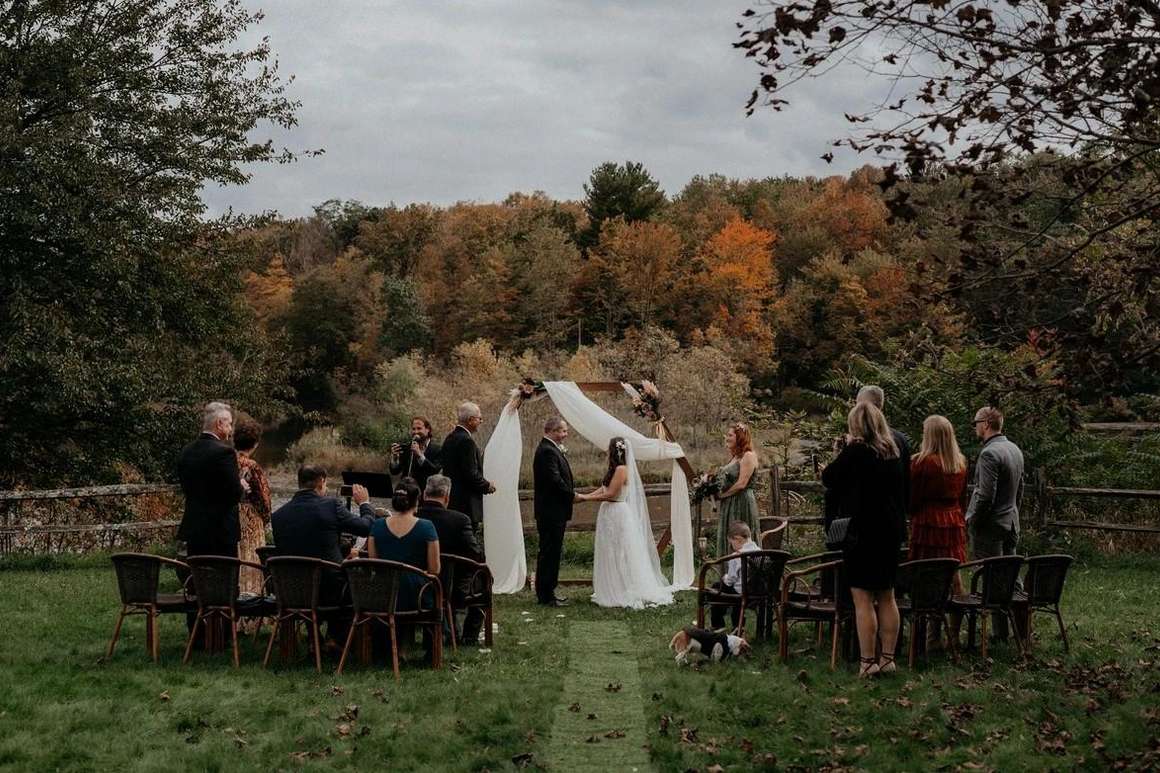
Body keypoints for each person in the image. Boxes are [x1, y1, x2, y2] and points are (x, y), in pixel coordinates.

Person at [822, 402, 907, 677]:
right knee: (887, 595)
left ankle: (867, 660)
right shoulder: (891, 452)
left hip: (863, 532)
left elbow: (829, 477)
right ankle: (888, 658)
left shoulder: (856, 451)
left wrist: (846, 447)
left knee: (862, 598)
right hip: (890, 531)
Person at [271, 465, 375, 646]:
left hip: (291, 590)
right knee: (356, 585)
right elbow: (366, 527)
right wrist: (365, 504)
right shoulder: (331, 505)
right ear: (321, 481)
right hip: (328, 589)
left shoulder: (278, 515)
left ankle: (317, 636)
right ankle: (336, 637)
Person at [580, 437, 673, 609]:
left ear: (614, 451)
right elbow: (604, 489)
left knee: (620, 551)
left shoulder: (622, 469)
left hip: (617, 513)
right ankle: (611, 586)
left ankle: (623, 588)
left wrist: (585, 498)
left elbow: (611, 494)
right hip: (608, 512)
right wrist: (584, 497)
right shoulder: (615, 469)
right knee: (609, 550)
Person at [965, 406, 1025, 643]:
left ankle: (999, 633)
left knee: (990, 576)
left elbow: (985, 495)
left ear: (987, 424)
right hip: (1011, 521)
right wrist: (1013, 513)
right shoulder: (1014, 449)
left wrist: (972, 519)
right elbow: (1019, 490)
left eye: (976, 422)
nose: (975, 427)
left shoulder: (989, 454)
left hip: (991, 525)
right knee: (1012, 576)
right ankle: (1018, 629)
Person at [909, 415, 969, 649]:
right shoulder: (959, 462)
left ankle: (930, 637)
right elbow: (962, 496)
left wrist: (912, 512)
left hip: (928, 520)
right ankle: (952, 633)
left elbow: (913, 497)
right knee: (954, 577)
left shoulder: (923, 463)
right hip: (952, 519)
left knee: (925, 577)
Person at [369, 478, 441, 657]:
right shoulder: (426, 527)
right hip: (415, 595)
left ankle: (394, 648)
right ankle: (408, 649)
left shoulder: (377, 526)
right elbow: (434, 569)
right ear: (417, 501)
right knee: (418, 587)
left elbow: (373, 563)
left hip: (384, 594)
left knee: (399, 588)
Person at [417, 474, 485, 643]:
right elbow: (475, 553)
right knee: (484, 579)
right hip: (453, 584)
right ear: (447, 497)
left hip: (418, 581)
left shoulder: (414, 518)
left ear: (425, 494)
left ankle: (450, 628)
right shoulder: (460, 520)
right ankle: (470, 636)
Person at [177, 402, 246, 557]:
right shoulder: (225, 453)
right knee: (224, 578)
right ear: (219, 424)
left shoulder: (186, 451)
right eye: (229, 424)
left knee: (199, 577)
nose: (231, 430)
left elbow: (187, 487)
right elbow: (234, 494)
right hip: (220, 531)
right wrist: (241, 485)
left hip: (194, 527)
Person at [533, 417, 578, 608]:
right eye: (563, 431)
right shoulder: (546, 451)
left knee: (552, 552)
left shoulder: (550, 449)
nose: (565, 435)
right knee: (549, 552)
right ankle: (546, 594)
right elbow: (554, 480)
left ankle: (548, 591)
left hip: (554, 511)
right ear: (551, 430)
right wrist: (572, 495)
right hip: (551, 511)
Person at [856, 385, 912, 512]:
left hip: (869, 514)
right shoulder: (901, 438)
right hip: (895, 514)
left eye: (859, 405)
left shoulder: (862, 441)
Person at [441, 402, 495, 533]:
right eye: (479, 418)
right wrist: (487, 485)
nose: (481, 421)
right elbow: (470, 473)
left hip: (452, 501)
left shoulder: (449, 438)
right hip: (467, 505)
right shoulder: (467, 441)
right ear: (470, 420)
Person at [233, 416, 271, 598]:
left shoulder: (227, 460)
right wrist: (265, 517)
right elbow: (263, 496)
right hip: (250, 515)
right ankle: (252, 599)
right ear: (255, 443)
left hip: (231, 512)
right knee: (251, 557)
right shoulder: (252, 466)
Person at [713, 422, 761, 557]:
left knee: (739, 537)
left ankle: (746, 573)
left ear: (739, 437)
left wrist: (722, 496)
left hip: (742, 502)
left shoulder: (748, 455)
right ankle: (728, 574)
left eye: (730, 435)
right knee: (730, 535)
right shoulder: (735, 457)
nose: (726, 438)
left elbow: (742, 483)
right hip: (730, 503)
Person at [710, 521, 761, 631]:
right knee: (736, 593)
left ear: (738, 539)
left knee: (716, 588)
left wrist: (725, 577)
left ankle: (718, 624)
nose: (732, 547)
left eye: (731, 543)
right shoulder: (760, 551)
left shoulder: (737, 556)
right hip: (758, 591)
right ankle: (738, 626)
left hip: (741, 592)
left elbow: (730, 580)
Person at [390, 416, 442, 492]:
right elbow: (395, 471)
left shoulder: (437, 449)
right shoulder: (407, 448)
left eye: (419, 428)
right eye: (413, 429)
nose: (416, 432)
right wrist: (394, 459)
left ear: (428, 430)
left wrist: (420, 456)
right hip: (406, 494)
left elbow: (434, 471)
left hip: (425, 493)